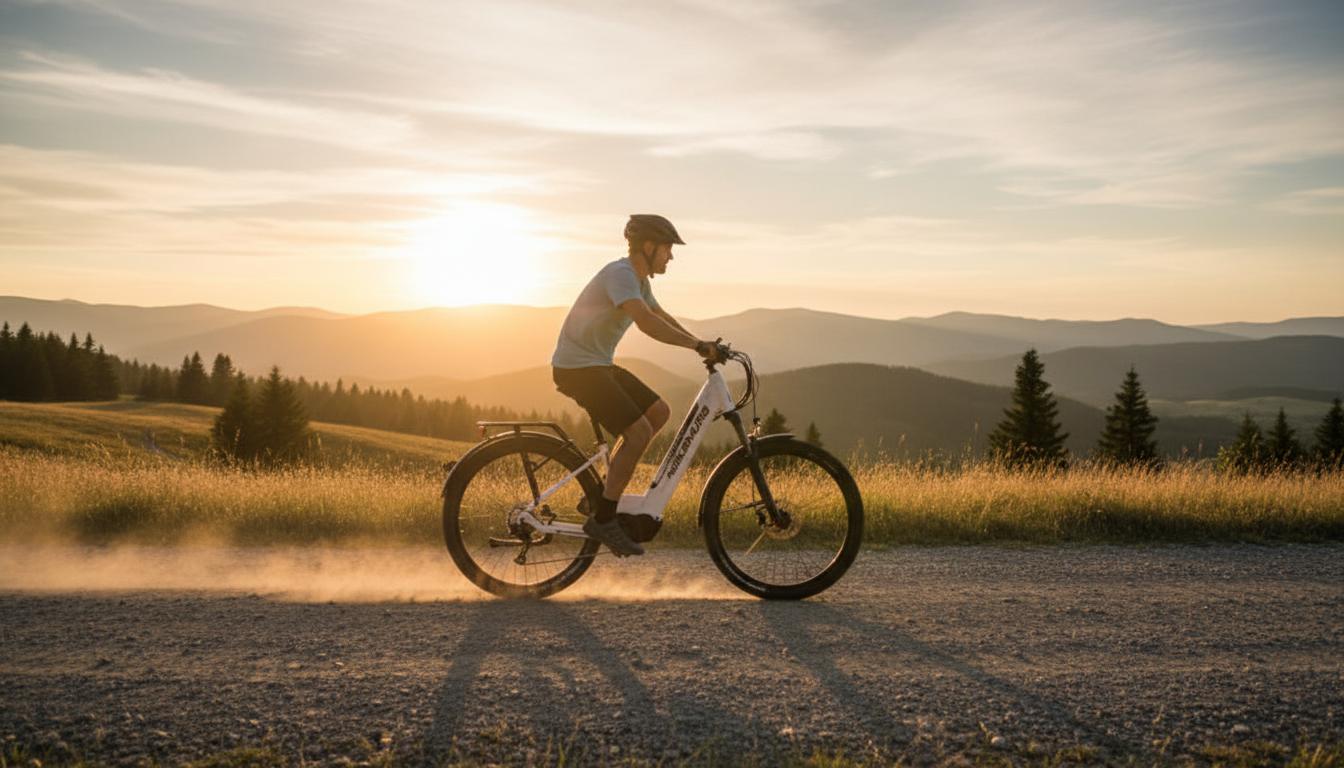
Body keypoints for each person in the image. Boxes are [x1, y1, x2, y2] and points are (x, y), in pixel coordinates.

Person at [551, 214, 723, 556]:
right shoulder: (621, 275)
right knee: (639, 432)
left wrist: (700, 343)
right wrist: (695, 346)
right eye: (668, 249)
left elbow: (659, 315)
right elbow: (645, 322)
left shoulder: (640, 281)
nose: (671, 257)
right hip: (578, 369)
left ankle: (603, 499)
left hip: (597, 365)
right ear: (648, 246)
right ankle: (603, 517)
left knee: (658, 412)